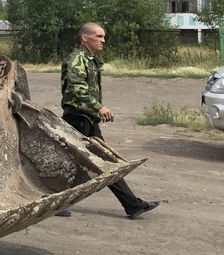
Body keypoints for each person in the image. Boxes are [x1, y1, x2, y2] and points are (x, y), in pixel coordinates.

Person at [58, 22, 160, 219]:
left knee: (87, 162)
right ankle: (132, 205)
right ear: (85, 38)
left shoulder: (90, 60)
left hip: (86, 118)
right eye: (98, 36)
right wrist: (99, 107)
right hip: (78, 118)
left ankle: (132, 205)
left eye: (104, 36)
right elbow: (77, 89)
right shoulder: (77, 59)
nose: (103, 40)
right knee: (102, 162)